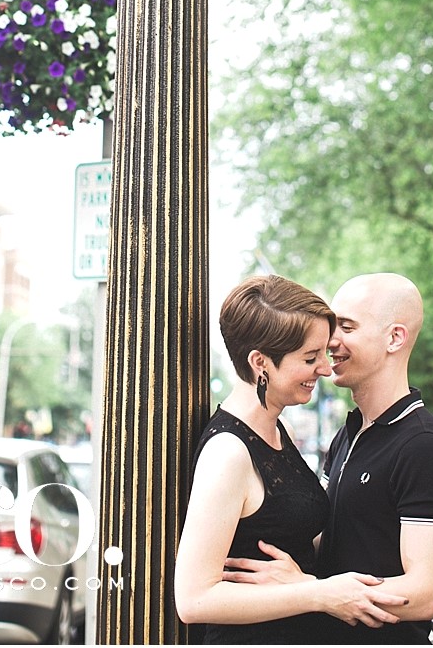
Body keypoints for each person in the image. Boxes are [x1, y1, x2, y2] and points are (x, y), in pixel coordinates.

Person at [225, 272, 433, 643]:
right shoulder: (349, 434)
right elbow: (327, 540)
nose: (329, 342)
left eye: (347, 328)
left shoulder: (423, 447)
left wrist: (312, 590)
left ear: (394, 338)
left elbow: (424, 593)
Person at [174, 275, 407, 641]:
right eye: (310, 357)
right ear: (260, 362)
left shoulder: (275, 430)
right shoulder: (229, 453)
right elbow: (194, 599)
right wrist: (319, 593)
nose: (326, 368)